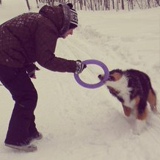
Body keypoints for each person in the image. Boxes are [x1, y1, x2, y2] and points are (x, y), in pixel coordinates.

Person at [0, 3, 86, 152]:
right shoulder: (47, 27)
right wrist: (74, 66)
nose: (71, 33)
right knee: (27, 96)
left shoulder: (43, 21)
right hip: (5, 60)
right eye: (72, 29)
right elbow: (47, 60)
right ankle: (16, 138)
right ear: (65, 24)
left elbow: (23, 43)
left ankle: (28, 131)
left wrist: (29, 67)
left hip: (7, 58)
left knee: (27, 95)